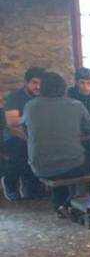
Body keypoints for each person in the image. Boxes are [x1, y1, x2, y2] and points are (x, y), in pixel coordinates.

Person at [22, 72, 90, 210]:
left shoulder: (30, 106)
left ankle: (61, 203)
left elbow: (26, 131)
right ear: (64, 87)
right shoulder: (76, 105)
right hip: (74, 166)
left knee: (58, 156)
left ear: (42, 88)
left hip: (40, 168)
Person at [2, 66, 44, 201]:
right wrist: (30, 138)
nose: (38, 87)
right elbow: (12, 123)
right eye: (35, 83)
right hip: (15, 135)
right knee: (20, 151)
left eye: (41, 83)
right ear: (26, 82)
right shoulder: (15, 97)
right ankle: (10, 184)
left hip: (37, 135)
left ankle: (31, 185)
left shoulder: (45, 96)